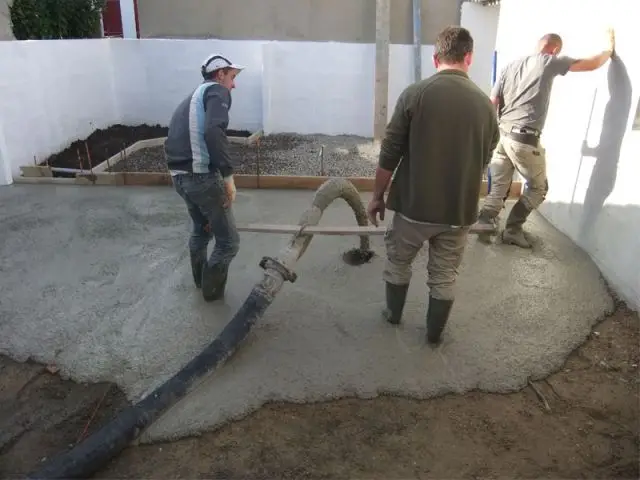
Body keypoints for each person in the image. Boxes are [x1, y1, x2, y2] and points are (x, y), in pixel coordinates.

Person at [367, 26, 500, 346]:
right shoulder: (485, 105)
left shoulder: (416, 94)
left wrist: (377, 196)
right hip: (459, 210)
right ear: (469, 57)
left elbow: (390, 152)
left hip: (414, 207)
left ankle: (394, 315)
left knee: (399, 261)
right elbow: (487, 154)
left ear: (434, 57)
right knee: (443, 275)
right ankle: (433, 334)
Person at [475, 29, 616, 248]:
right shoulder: (549, 62)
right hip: (525, 139)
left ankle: (484, 220)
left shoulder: (510, 66)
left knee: (499, 185)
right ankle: (513, 229)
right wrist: (608, 51)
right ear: (555, 49)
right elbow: (591, 64)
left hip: (504, 136)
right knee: (539, 188)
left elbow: (492, 101)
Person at [164, 54, 244, 302]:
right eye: (232, 77)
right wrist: (228, 177)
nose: (234, 85)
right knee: (229, 242)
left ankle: (200, 282)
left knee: (201, 231)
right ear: (220, 74)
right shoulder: (217, 92)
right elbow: (214, 130)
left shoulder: (193, 97)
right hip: (201, 179)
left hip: (179, 178)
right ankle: (211, 296)